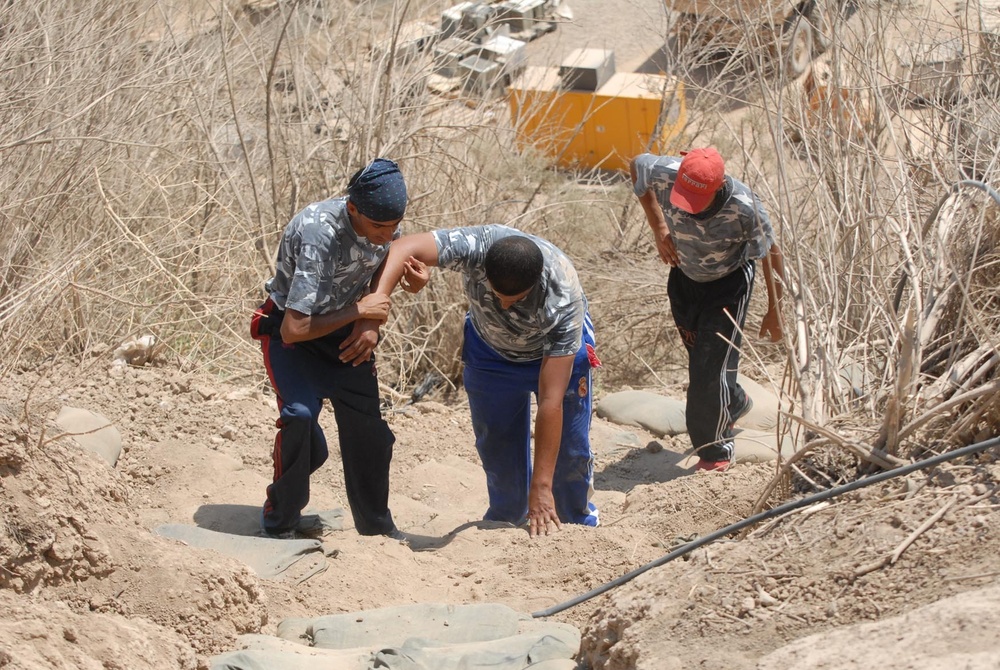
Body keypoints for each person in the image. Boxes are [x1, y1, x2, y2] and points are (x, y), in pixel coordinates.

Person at [373, 225, 601, 537]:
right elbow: (402, 249)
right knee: (496, 446)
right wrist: (376, 310)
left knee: (571, 454)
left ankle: (577, 525)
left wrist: (542, 486)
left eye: (516, 299)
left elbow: (551, 402)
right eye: (497, 295)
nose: (505, 306)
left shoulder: (562, 297)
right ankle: (505, 523)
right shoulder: (475, 246)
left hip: (554, 356)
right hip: (489, 353)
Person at [249, 157, 408, 538]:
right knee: (300, 418)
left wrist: (369, 322)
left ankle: (377, 527)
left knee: (369, 432)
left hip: (345, 338)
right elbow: (294, 328)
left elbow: (389, 264)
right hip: (293, 338)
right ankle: (280, 521)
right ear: (352, 207)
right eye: (379, 227)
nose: (388, 236)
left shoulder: (383, 222)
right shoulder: (318, 232)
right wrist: (361, 310)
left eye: (394, 227)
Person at [630, 147, 784, 472]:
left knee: (708, 371)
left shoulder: (745, 207)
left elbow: (772, 254)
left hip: (728, 285)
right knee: (701, 360)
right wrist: (658, 227)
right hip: (684, 277)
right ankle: (735, 401)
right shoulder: (663, 170)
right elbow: (636, 167)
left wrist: (776, 310)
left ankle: (715, 452)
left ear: (718, 186)